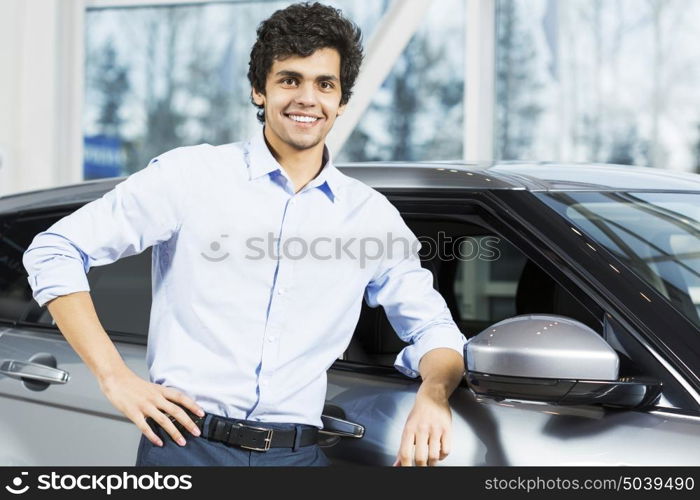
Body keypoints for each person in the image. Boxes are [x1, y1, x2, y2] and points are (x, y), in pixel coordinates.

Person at [22, 2, 466, 467]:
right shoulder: (191, 176)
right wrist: (114, 376)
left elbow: (435, 329)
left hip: (299, 459)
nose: (307, 99)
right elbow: (55, 250)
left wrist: (434, 395)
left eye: (325, 84)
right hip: (187, 448)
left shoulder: (371, 217)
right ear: (259, 90)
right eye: (290, 80)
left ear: (342, 100)